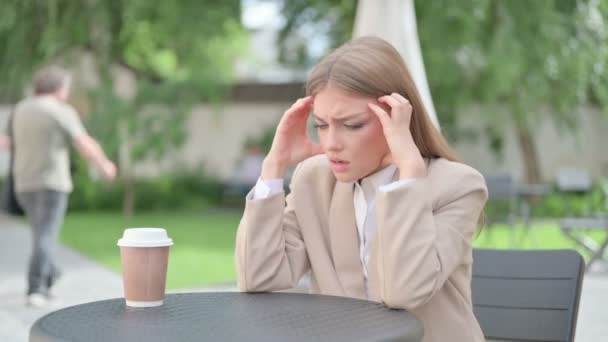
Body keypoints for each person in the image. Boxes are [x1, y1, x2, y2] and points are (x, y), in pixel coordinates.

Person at [235, 37, 488, 342]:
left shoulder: (458, 186)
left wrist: (409, 177)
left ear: (397, 117)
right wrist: (274, 165)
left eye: (352, 125)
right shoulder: (313, 179)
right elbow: (258, 277)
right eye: (322, 125)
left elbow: (403, 292)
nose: (331, 144)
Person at [10, 65, 117, 307]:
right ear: (58, 88)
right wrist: (104, 164)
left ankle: (49, 275)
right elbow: (83, 141)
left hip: (23, 183)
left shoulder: (21, 108)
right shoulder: (59, 110)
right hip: (51, 184)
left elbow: (7, 141)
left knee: (41, 234)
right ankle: (36, 287)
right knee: (46, 235)